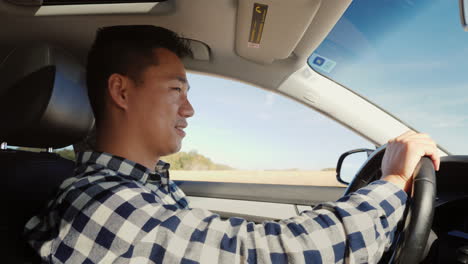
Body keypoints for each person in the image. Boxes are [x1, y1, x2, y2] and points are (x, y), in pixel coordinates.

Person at [24, 25, 440, 263]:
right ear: (122, 91)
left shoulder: (145, 188)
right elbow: (265, 254)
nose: (188, 110)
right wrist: (395, 181)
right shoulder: (99, 204)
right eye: (175, 90)